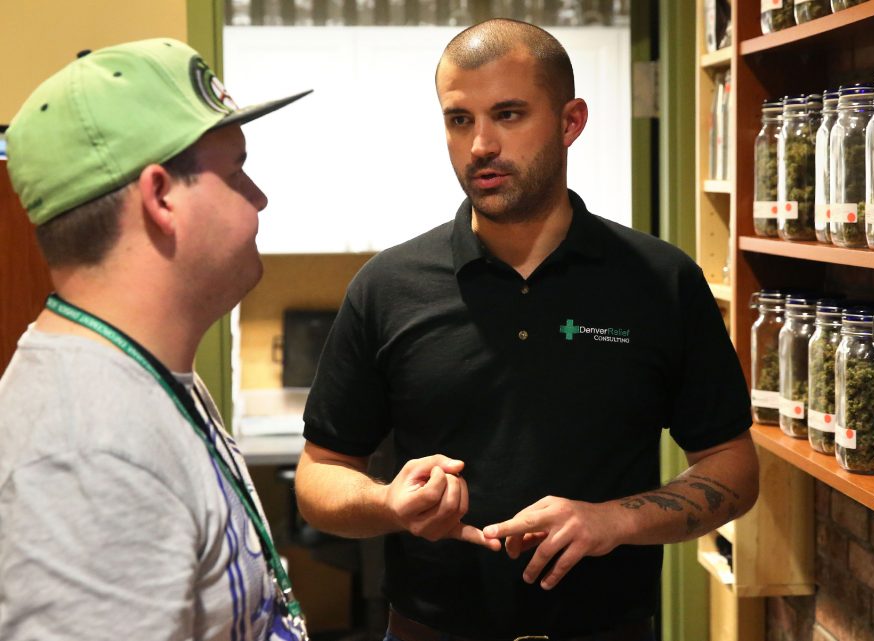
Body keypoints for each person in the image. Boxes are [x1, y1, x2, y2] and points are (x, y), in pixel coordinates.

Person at [297, 18, 758, 640]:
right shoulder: (388, 286)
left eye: (508, 115)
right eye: (460, 120)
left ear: (570, 121)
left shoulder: (660, 280)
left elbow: (732, 466)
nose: (480, 144)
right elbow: (318, 475)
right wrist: (389, 504)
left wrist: (613, 521)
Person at [0, 39, 311, 641]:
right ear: (161, 196)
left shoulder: (143, 379)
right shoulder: (88, 452)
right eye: (235, 171)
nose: (259, 199)